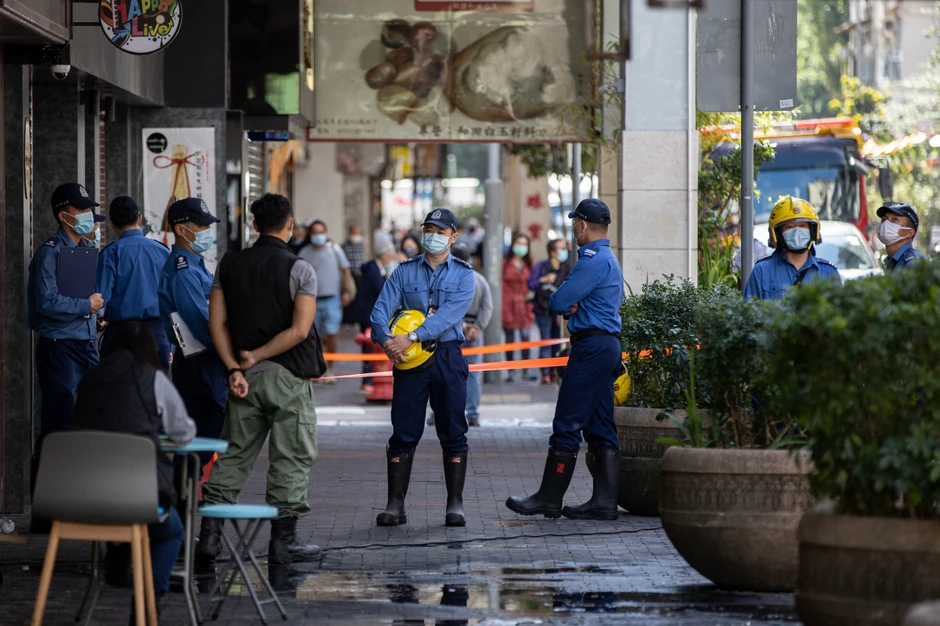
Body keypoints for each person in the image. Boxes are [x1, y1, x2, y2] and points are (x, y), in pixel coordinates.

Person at [197, 193, 326, 566]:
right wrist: (260, 354)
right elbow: (300, 330)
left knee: (234, 454)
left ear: (255, 225)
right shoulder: (300, 269)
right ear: (290, 225)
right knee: (291, 456)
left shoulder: (229, 264)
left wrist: (236, 367)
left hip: (243, 381)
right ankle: (284, 544)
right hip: (287, 378)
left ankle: (209, 538)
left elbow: (216, 323)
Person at [506, 199, 624, 521]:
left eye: (575, 223)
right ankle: (604, 502)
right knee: (600, 424)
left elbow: (558, 301)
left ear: (582, 225)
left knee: (568, 422)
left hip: (590, 349)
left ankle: (549, 498)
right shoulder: (610, 259)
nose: (574, 229)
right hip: (606, 346)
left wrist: (568, 302)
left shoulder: (591, 260)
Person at [72, 322, 196, 614]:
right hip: (141, 498)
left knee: (125, 515)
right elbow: (184, 433)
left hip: (84, 499)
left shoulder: (87, 381)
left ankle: (118, 554)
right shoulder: (153, 380)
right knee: (169, 529)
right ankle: (148, 603)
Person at [370, 208, 475, 527]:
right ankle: (395, 505)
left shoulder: (464, 273)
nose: (433, 236)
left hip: (446, 356)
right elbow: (380, 309)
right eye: (428, 229)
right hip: (408, 360)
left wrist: (412, 336)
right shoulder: (403, 271)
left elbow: (450, 315)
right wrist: (385, 340)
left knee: (453, 429)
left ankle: (454, 503)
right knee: (403, 429)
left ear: (453, 237)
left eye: (440, 231)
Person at [28, 183, 106, 522]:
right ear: (64, 216)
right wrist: (84, 306)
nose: (89, 216)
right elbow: (45, 302)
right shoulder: (50, 251)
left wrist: (95, 317)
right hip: (60, 348)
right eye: (82, 210)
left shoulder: (85, 248)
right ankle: (46, 513)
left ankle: (79, 501)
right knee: (58, 426)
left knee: (91, 422)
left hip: (86, 344)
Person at [158, 198, 228, 471]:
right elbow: (201, 324)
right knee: (204, 431)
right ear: (180, 229)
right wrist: (229, 354)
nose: (205, 230)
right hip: (199, 359)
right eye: (199, 225)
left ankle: (183, 491)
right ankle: (179, 494)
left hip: (206, 358)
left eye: (206, 225)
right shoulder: (183, 271)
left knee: (206, 431)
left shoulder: (196, 264)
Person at [96, 196, 172, 371]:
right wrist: (170, 342)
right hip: (156, 335)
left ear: (112, 224)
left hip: (119, 336)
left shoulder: (110, 253)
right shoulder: (162, 251)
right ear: (140, 219)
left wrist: (99, 319)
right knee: (154, 393)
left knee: (117, 393)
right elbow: (171, 301)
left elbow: (100, 297)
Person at [427, 242, 493, 428]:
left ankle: (437, 412)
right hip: (473, 332)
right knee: (471, 375)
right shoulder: (479, 279)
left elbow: (441, 307)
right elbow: (487, 307)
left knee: (442, 373)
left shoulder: (444, 279)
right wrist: (476, 327)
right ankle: (472, 414)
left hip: (448, 331)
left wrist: (462, 326)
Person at [743, 197, 842, 301]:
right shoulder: (761, 271)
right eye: (789, 227)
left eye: (802, 225)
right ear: (777, 233)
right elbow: (750, 313)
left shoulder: (829, 272)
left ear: (813, 230)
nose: (797, 232)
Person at [298, 220, 355, 380]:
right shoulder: (304, 253)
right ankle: (317, 366)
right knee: (315, 336)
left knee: (331, 334)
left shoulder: (334, 249)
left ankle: (329, 368)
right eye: (315, 232)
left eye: (321, 232)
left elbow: (345, 270)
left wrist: (346, 290)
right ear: (310, 234)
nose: (318, 236)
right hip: (311, 300)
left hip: (332, 299)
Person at [354, 240, 400, 393]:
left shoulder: (375, 268)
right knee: (369, 347)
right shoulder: (373, 270)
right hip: (368, 315)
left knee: (371, 348)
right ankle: (368, 379)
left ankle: (370, 379)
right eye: (391, 255)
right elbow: (380, 290)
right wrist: (388, 279)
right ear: (385, 255)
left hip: (369, 313)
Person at [528, 238, 572, 384]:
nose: (564, 251)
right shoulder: (541, 266)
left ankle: (554, 370)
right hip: (542, 310)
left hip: (558, 312)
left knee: (556, 342)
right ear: (553, 251)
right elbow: (531, 283)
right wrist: (543, 279)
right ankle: (545, 372)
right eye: (561, 248)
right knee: (546, 341)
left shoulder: (566, 268)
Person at [502, 233, 537, 382]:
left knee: (525, 339)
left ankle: (526, 370)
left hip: (525, 305)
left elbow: (533, 284)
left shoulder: (529, 264)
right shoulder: (505, 263)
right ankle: (510, 371)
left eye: (524, 244)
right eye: (519, 243)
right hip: (509, 304)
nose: (521, 247)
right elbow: (502, 288)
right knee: (509, 340)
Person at [877, 202, 926, 271]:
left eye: (895, 219)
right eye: (884, 219)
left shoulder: (913, 263)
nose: (886, 223)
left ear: (909, 232)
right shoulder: (890, 261)